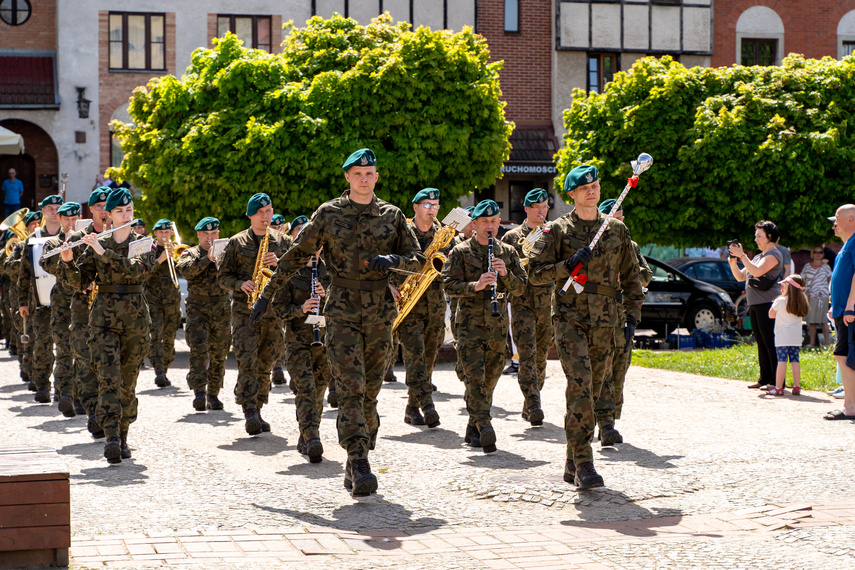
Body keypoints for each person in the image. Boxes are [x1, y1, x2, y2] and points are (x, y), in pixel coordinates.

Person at [249, 148, 424, 497]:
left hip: (379, 311)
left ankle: (358, 449)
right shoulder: (329, 214)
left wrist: (395, 259)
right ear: (347, 176)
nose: (363, 178)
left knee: (371, 390)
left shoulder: (392, 215)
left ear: (376, 176)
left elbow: (418, 258)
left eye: (369, 172)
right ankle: (359, 461)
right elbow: (296, 254)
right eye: (357, 172)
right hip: (342, 309)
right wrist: (268, 294)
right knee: (349, 388)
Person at [528, 165, 644, 489]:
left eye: (595, 185)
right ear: (572, 195)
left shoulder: (617, 231)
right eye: (584, 188)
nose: (592, 191)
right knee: (580, 385)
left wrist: (632, 316)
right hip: (569, 317)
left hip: (607, 321)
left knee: (592, 394)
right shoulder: (556, 231)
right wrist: (566, 265)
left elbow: (633, 277)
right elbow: (534, 273)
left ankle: (570, 458)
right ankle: (584, 463)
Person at [60, 187, 157, 463]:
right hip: (102, 321)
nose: (125, 216)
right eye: (119, 212)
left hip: (136, 321)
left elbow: (134, 271)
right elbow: (79, 283)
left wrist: (101, 251)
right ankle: (112, 436)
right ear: (109, 215)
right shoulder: (95, 243)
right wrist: (68, 262)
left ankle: (124, 434)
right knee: (108, 379)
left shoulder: (143, 243)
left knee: (127, 382)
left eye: (129, 211)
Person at [442, 199, 527, 452]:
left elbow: (522, 287)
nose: (489, 226)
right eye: (484, 222)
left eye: (493, 222)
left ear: (499, 223)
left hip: (497, 324)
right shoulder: (460, 252)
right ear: (474, 225)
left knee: (489, 378)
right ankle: (486, 424)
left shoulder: (508, 253)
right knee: (474, 377)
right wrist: (475, 286)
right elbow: (447, 284)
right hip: (468, 323)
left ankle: (474, 424)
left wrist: (505, 275)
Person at [217, 193, 292, 436]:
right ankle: (249, 409)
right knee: (247, 360)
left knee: (266, 362)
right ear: (250, 215)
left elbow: (296, 273)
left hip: (273, 311)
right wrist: (240, 284)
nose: (266, 216)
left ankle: (258, 407)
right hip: (244, 311)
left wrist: (279, 262)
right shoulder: (237, 242)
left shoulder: (283, 241)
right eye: (260, 212)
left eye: (269, 211)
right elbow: (222, 276)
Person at [594, 199, 652, 444]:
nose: (615, 220)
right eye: (610, 215)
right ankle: (604, 423)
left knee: (619, 371)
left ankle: (610, 420)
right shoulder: (594, 243)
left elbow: (646, 276)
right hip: (599, 314)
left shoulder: (631, 245)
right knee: (601, 372)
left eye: (618, 216)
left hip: (624, 315)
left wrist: (628, 271)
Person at [391, 188, 448, 429]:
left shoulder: (444, 235)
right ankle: (427, 404)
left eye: (435, 205)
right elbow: (389, 262)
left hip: (435, 305)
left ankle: (411, 408)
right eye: (427, 205)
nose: (432, 209)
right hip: (409, 304)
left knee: (429, 359)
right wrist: (389, 285)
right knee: (415, 356)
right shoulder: (402, 233)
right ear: (415, 207)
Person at [62, 188, 112, 439]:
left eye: (107, 205)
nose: (104, 210)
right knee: (86, 365)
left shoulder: (121, 237)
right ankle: (93, 411)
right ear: (91, 209)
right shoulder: (79, 238)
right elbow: (64, 274)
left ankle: (110, 416)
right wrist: (81, 280)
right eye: (100, 205)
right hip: (84, 313)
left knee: (111, 368)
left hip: (115, 313)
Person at [500, 188, 553, 426]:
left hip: (546, 305)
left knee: (541, 357)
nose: (542, 211)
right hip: (521, 304)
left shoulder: (552, 234)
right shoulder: (512, 237)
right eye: (537, 207)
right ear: (527, 209)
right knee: (527, 355)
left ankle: (530, 400)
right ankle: (533, 403)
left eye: (545, 207)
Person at [274, 249, 332, 462]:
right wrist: (301, 308)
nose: (314, 251)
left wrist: (327, 296)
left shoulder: (332, 270)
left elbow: (345, 306)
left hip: (324, 340)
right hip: (298, 341)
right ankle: (313, 437)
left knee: (318, 391)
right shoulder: (289, 269)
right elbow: (278, 308)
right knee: (305, 388)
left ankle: (305, 434)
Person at [175, 217, 230, 411]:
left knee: (219, 353)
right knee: (198, 350)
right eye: (206, 234)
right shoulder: (190, 253)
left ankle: (213, 393)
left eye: (213, 233)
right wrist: (208, 258)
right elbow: (187, 271)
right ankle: (199, 391)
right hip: (198, 309)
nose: (210, 237)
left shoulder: (227, 252)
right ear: (199, 235)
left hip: (222, 308)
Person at [728, 221, 783, 390]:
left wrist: (743, 255)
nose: (756, 239)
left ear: (770, 236)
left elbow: (758, 271)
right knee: (761, 342)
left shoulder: (774, 254)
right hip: (756, 304)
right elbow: (740, 277)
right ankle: (764, 378)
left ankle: (776, 380)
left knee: (770, 342)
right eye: (755, 236)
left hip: (768, 304)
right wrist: (733, 262)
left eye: (759, 236)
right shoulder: (759, 256)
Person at [18, 196, 63, 404]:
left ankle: (65, 387)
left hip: (65, 301)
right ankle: (43, 385)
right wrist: (22, 302)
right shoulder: (34, 237)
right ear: (43, 211)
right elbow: (24, 273)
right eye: (50, 209)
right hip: (41, 302)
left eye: (58, 208)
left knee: (66, 347)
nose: (54, 212)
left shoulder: (70, 236)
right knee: (43, 345)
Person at [40, 201, 83, 417]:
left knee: (83, 352)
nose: (71, 223)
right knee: (65, 351)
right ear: (60, 220)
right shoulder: (52, 243)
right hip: (62, 305)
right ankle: (65, 394)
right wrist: (65, 246)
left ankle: (81, 395)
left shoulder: (86, 240)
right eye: (67, 219)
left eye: (75, 219)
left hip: (83, 304)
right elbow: (45, 263)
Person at [825, 206, 855, 420]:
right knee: (843, 355)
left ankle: (850, 407)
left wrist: (851, 305)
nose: (833, 224)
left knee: (844, 355)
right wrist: (833, 305)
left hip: (849, 311)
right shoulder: (846, 245)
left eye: (837, 219)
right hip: (841, 309)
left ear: (851, 220)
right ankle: (850, 405)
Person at [144, 218, 182, 388]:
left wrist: (176, 257)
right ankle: (158, 370)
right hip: (153, 300)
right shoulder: (148, 250)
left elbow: (185, 271)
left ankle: (164, 369)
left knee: (169, 338)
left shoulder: (176, 250)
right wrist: (160, 259)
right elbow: (143, 274)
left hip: (172, 300)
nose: (165, 235)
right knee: (155, 336)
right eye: (161, 232)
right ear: (155, 233)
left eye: (167, 232)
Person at [766, 275, 809, 396]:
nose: (781, 287)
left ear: (789, 287)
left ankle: (778, 387)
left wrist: (775, 304)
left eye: (783, 285)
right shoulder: (802, 301)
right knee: (795, 360)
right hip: (795, 337)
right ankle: (796, 386)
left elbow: (771, 315)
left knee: (782, 361)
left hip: (782, 337)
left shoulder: (780, 301)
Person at [448, 205, 475, 383]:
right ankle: (463, 371)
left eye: (475, 222)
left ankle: (472, 383)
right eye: (470, 222)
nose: (473, 226)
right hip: (458, 302)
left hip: (478, 302)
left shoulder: (484, 242)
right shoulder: (453, 242)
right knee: (461, 342)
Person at [268, 213, 290, 388]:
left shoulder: (288, 242)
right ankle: (275, 368)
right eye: (274, 227)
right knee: (273, 331)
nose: (277, 230)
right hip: (268, 293)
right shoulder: (265, 242)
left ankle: (281, 366)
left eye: (279, 227)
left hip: (285, 292)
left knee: (283, 332)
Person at [803, 247, 833, 347]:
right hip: (811, 296)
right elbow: (802, 279)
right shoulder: (807, 266)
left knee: (823, 320)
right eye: (815, 252)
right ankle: (812, 343)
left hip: (823, 296)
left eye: (820, 252)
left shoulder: (826, 267)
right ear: (812, 253)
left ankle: (827, 344)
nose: (818, 254)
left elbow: (830, 280)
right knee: (811, 321)